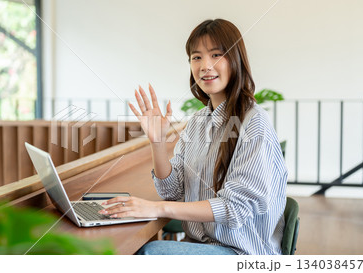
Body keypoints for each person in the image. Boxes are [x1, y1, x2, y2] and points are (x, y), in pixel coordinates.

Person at [99, 19, 287, 255]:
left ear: (236, 60)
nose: (205, 66)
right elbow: (172, 190)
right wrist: (157, 143)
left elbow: (235, 209)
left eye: (216, 54)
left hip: (242, 253)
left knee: (150, 253)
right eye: (196, 57)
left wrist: (156, 209)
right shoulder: (198, 121)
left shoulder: (254, 122)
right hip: (200, 244)